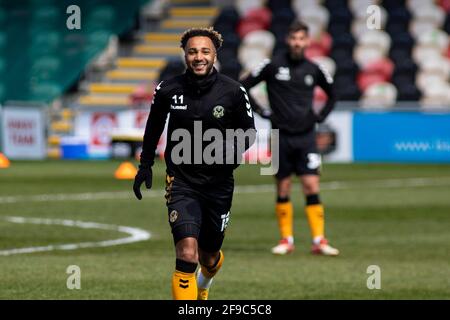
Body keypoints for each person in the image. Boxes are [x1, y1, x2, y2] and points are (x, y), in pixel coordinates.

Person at [133, 27, 256, 300]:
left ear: (214, 55)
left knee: (208, 257)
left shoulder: (234, 91)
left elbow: (249, 133)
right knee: (187, 253)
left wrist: (227, 150)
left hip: (219, 185)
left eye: (204, 51)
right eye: (192, 52)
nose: (198, 57)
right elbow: (153, 128)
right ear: (184, 55)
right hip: (182, 182)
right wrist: (145, 164)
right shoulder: (168, 89)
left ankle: (204, 284)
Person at [241, 21, 339, 256]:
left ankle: (319, 240)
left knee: (311, 185)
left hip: (306, 137)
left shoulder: (314, 68)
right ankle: (286, 239)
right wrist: (263, 111)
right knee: (283, 187)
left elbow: (333, 94)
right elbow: (244, 86)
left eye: (301, 38)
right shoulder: (272, 65)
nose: (297, 43)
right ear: (288, 40)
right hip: (279, 136)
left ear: (307, 41)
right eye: (293, 38)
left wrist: (319, 116)